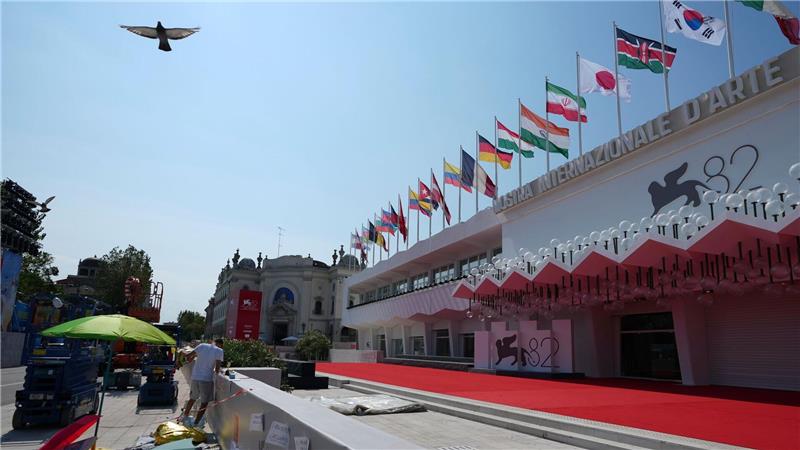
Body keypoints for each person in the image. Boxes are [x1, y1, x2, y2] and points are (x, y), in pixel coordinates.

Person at [180, 338, 224, 425]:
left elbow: (189, 356)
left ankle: (185, 416)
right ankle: (196, 423)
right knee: (204, 403)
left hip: (195, 377)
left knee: (192, 398)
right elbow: (217, 368)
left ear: (212, 342)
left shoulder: (202, 345)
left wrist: (182, 352)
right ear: (220, 344)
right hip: (206, 379)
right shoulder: (219, 351)